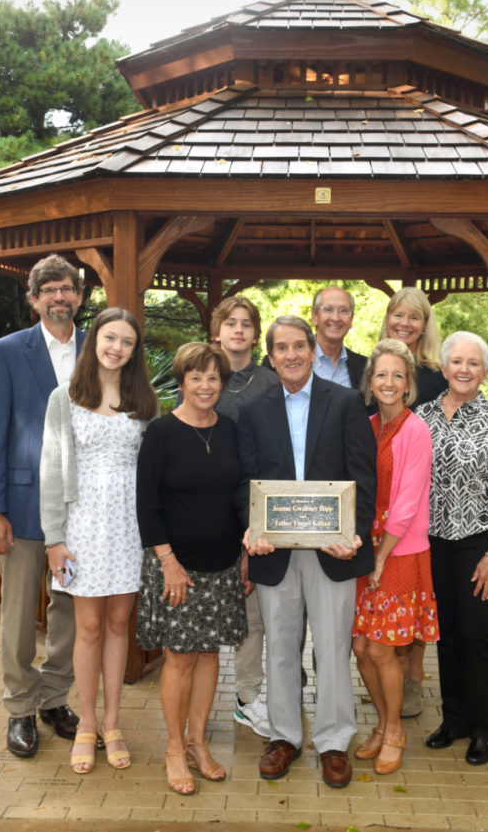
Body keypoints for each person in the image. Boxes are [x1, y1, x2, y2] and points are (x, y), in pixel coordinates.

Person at [237, 316, 376, 789]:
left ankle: (334, 742)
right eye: (282, 347)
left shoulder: (347, 402)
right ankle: (284, 738)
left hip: (332, 551)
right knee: (279, 645)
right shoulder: (255, 410)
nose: (292, 354)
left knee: (334, 648)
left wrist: (354, 534)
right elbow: (246, 481)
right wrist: (250, 529)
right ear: (271, 356)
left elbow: (364, 474)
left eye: (300, 346)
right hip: (274, 550)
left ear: (313, 351)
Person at [39, 307, 158, 773]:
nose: (117, 348)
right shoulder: (64, 397)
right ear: (95, 341)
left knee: (117, 627)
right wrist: (54, 539)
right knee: (87, 627)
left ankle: (113, 724)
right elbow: (51, 471)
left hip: (130, 526)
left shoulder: (144, 402)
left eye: (127, 342)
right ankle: (85, 724)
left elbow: (153, 471)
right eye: (110, 338)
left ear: (134, 352)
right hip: (82, 527)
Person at [0, 254, 85, 758]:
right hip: (20, 508)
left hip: (81, 510)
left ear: (80, 297)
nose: (59, 297)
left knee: (67, 610)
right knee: (19, 615)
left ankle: (55, 698)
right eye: (50, 290)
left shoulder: (99, 349)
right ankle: (19, 708)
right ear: (35, 298)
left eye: (68, 289)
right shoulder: (5, 352)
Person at [136, 342, 248, 796]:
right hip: (175, 566)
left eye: (213, 378)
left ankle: (200, 742)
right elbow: (147, 504)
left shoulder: (231, 430)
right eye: (196, 377)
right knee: (180, 657)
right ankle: (174, 750)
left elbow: (241, 495)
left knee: (209, 655)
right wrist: (168, 563)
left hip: (222, 564)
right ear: (181, 381)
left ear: (223, 384)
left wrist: (243, 556)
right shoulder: (161, 433)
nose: (205, 385)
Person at [416, 331, 488, 765]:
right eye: (456, 362)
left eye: (473, 363)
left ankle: (485, 728)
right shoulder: (420, 417)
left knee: (477, 635)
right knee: (446, 636)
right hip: (432, 545)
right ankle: (454, 719)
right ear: (443, 369)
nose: (463, 369)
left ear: (484, 371)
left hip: (479, 544)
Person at [351, 339, 438, 776]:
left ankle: (394, 731)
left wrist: (381, 556)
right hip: (365, 550)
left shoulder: (415, 430)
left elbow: (405, 504)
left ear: (408, 386)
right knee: (361, 647)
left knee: (383, 649)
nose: (388, 382)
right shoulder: (367, 426)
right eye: (381, 374)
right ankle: (382, 727)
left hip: (399, 552)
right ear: (370, 382)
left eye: (397, 376)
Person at [208, 296, 279, 738]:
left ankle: (258, 695)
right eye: (230, 323)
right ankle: (227, 698)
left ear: (256, 334)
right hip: (211, 513)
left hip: (258, 510)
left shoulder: (272, 382)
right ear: (217, 331)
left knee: (259, 613)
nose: (238, 331)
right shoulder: (203, 376)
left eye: (246, 324)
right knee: (223, 613)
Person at [377, 285, 446, 717]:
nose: (404, 324)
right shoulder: (379, 365)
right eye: (397, 316)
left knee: (415, 598)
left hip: (429, 502)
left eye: (413, 317)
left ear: (425, 325)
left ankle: (414, 678)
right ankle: (391, 677)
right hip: (389, 497)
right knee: (390, 602)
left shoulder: (438, 373)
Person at [311, 286, 367, 388]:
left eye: (343, 311)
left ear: (351, 320)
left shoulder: (364, 367)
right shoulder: (295, 360)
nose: (336, 318)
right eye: (328, 309)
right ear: (314, 317)